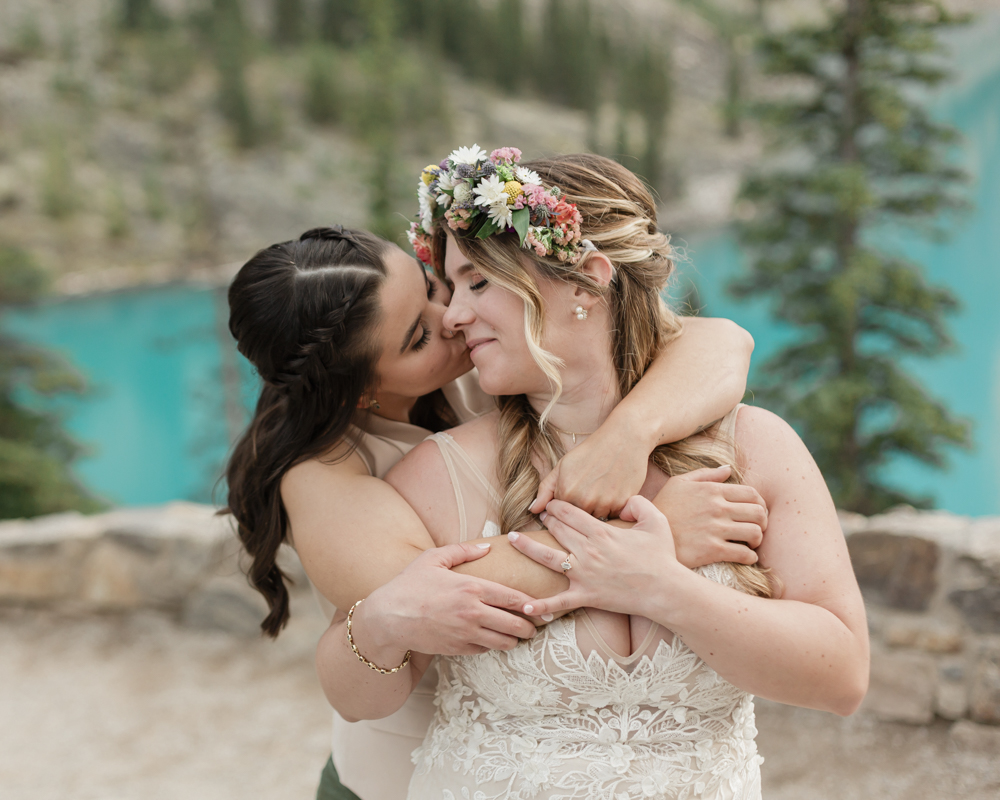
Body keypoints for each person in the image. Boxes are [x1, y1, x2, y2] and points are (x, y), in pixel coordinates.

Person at [335, 147, 869, 799]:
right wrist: (383, 621)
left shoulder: (755, 449)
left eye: (477, 282)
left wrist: (663, 588)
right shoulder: (437, 472)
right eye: (452, 288)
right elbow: (357, 692)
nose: (453, 315)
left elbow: (842, 677)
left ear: (587, 280)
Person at [225, 225, 764, 800]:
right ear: (358, 392)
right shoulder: (322, 477)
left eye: (432, 285)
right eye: (417, 337)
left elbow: (722, 343)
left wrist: (629, 435)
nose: (453, 315)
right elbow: (446, 593)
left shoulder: (486, 374)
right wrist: (651, 533)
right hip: (399, 782)